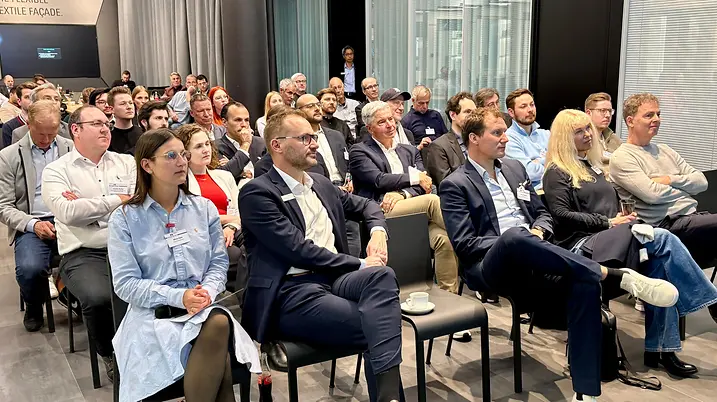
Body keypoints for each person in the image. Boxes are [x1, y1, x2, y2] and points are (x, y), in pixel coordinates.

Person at [439, 108, 679, 402]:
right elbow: (464, 244)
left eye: (504, 132)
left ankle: (585, 392)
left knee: (584, 285)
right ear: (474, 138)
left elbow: (542, 212)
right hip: (490, 266)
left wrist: (538, 231)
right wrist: (519, 239)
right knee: (515, 236)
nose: (505, 138)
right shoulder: (455, 184)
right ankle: (614, 275)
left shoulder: (514, 169)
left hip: (535, 255)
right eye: (497, 133)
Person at [239, 108, 403, 402]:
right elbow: (298, 250)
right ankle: (390, 398)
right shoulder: (257, 193)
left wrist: (378, 232)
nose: (314, 143)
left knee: (382, 276)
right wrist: (360, 262)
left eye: (313, 136)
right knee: (379, 325)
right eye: (305, 138)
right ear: (277, 145)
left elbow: (368, 206)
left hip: (335, 280)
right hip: (292, 291)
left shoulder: (321, 183)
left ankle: (388, 399)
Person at [543, 109, 717, 377]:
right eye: (579, 131)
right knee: (663, 237)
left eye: (588, 128)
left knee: (660, 268)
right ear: (564, 137)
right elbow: (561, 215)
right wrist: (607, 222)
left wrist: (621, 218)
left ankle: (662, 350)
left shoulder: (593, 167)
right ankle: (710, 299)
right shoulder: (557, 172)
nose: (588, 134)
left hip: (612, 238)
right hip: (581, 246)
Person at [107, 129, 260, 402]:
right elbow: (126, 284)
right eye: (171, 156)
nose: (182, 162)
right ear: (147, 165)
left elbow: (218, 263)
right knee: (220, 352)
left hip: (200, 307)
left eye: (183, 154)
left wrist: (206, 293)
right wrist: (179, 297)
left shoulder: (203, 209)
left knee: (217, 321)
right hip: (153, 317)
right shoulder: (126, 218)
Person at [42, 105, 137, 380]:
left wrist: (89, 207)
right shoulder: (56, 170)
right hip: (83, 252)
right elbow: (69, 212)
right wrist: (118, 200)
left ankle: (150, 348)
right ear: (76, 130)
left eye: (107, 123)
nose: (105, 128)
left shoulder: (126, 163)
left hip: (129, 245)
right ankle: (109, 354)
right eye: (96, 124)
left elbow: (139, 203)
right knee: (97, 299)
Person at [350, 101, 461, 294]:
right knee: (432, 201)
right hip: (381, 210)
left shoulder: (409, 150)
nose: (390, 125)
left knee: (444, 239)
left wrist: (402, 193)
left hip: (410, 207)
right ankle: (469, 238)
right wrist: (414, 178)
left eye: (391, 119)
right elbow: (378, 180)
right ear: (369, 128)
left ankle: (449, 295)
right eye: (382, 122)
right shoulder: (360, 151)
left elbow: (426, 184)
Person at [610, 93, 717, 272]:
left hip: (692, 217)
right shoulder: (622, 157)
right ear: (630, 121)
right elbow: (653, 195)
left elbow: (701, 182)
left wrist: (669, 180)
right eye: (649, 115)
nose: (657, 119)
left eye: (658, 114)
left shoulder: (665, 150)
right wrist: (686, 190)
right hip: (666, 225)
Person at [0, 100, 73, 331]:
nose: (47, 139)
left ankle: (73, 295)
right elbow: (4, 206)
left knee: (97, 257)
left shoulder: (71, 148)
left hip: (69, 217)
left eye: (52, 133)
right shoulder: (8, 156)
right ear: (28, 124)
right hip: (32, 221)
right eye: (41, 133)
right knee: (30, 269)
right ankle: (34, 303)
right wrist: (33, 224)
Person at [174, 124, 246, 293]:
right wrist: (229, 220)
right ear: (185, 153)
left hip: (235, 228)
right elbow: (193, 218)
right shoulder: (181, 183)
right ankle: (243, 300)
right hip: (205, 233)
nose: (206, 149)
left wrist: (231, 226)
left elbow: (239, 210)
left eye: (207, 144)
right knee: (236, 254)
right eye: (198, 146)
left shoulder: (224, 176)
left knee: (258, 247)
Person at [425, 92, 476, 187]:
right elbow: (447, 185)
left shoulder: (479, 141)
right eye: (468, 112)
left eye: (474, 112)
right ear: (453, 115)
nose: (473, 116)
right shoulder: (439, 147)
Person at [504, 88, 550, 191]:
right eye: (523, 106)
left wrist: (538, 161)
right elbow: (529, 173)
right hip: (534, 195)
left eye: (532, 105)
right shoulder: (509, 139)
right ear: (511, 112)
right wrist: (549, 160)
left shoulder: (546, 134)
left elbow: (565, 163)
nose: (530, 110)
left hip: (555, 189)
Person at [217, 101, 267, 183]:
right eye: (238, 120)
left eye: (246, 120)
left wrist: (238, 169)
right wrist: (245, 145)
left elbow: (270, 170)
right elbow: (224, 175)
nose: (244, 124)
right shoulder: (216, 147)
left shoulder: (261, 143)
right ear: (225, 122)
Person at [584, 92, 621, 164]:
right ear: (588, 113)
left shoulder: (615, 140)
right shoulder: (582, 139)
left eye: (610, 111)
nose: (608, 115)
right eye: (602, 110)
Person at [108, 86, 142, 154]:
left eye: (131, 103)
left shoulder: (143, 134)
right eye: (123, 104)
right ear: (112, 109)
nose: (129, 107)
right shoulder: (108, 137)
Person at [2, 81, 37, 148]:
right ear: (19, 101)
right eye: (27, 97)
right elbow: (9, 153)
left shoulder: (46, 123)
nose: (32, 100)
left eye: (35, 97)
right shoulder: (9, 127)